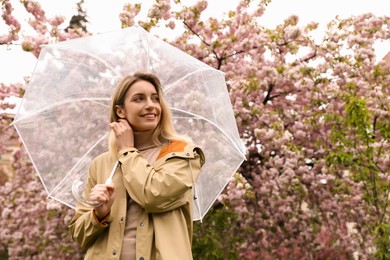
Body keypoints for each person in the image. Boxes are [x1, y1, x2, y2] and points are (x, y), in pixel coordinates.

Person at [69, 72, 205, 260]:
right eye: (139, 99)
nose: (150, 105)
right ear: (120, 111)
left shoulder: (182, 153)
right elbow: (79, 234)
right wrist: (99, 213)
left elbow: (153, 194)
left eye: (155, 98)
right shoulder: (102, 163)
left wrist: (127, 149)